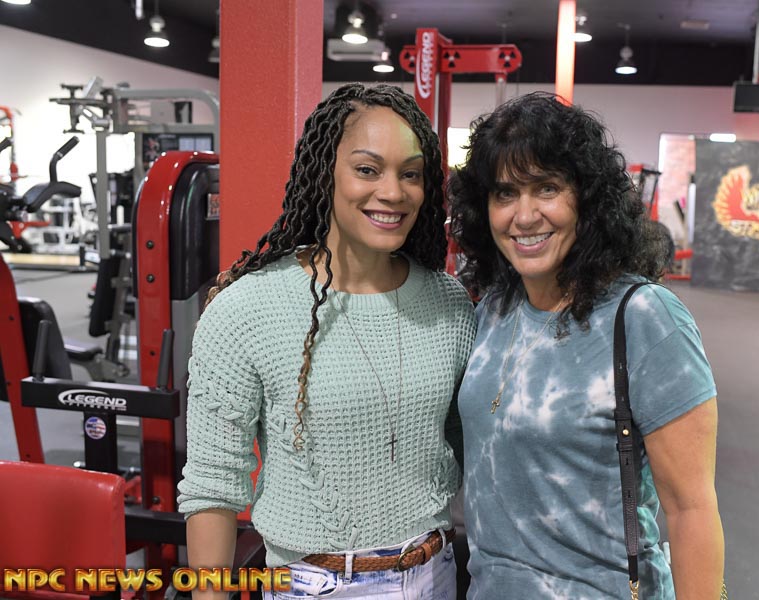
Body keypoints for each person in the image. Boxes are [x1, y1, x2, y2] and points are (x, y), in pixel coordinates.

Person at [177, 83, 476, 600]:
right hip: (315, 584)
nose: (394, 192)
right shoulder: (247, 309)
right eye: (367, 169)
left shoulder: (448, 302)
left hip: (435, 572)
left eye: (410, 174)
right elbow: (212, 485)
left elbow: (468, 443)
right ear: (325, 174)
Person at [449, 93, 723, 599]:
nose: (524, 215)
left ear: (587, 199)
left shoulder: (643, 317)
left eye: (547, 188)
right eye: (505, 193)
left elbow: (692, 510)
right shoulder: (493, 309)